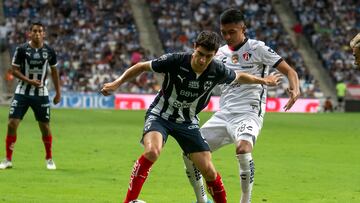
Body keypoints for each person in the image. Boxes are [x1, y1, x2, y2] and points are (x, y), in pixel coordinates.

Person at [101, 31, 281, 203]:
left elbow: (239, 77)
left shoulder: (217, 69)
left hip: (187, 122)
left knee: (209, 171)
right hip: (160, 115)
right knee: (152, 151)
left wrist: (264, 81)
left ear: (215, 54)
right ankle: (128, 201)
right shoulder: (174, 60)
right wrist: (116, 84)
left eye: (208, 56)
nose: (202, 60)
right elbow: (141, 67)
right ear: (194, 47)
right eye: (200, 53)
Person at [182, 9, 300, 203]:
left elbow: (290, 71)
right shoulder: (218, 54)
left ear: (243, 28)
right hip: (223, 113)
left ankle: (245, 201)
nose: (227, 37)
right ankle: (202, 200)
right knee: (189, 152)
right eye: (224, 32)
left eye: (232, 32)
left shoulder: (258, 48)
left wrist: (295, 89)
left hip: (249, 112)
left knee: (243, 149)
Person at [0, 22, 61, 170]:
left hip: (41, 93)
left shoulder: (50, 51)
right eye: (34, 31)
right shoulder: (21, 49)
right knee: (11, 124)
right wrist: (29, 81)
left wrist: (58, 92)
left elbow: (54, 72)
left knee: (45, 127)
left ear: (44, 34)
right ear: (29, 33)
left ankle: (49, 158)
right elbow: (13, 70)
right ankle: (8, 159)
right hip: (22, 92)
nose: (37, 34)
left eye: (40, 31)